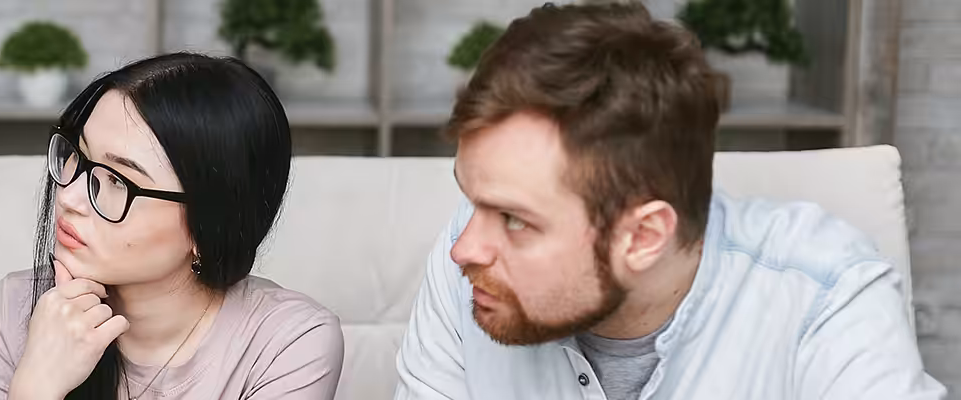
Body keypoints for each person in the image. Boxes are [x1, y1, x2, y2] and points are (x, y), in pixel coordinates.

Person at [393, 3, 945, 400]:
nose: (464, 248)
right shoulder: (469, 270)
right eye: (473, 200)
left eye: (514, 220)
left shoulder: (825, 299)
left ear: (643, 236)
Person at [0, 53, 344, 400]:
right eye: (78, 155)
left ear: (207, 227)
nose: (69, 197)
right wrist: (36, 386)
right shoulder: (9, 313)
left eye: (117, 180)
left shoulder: (288, 343)